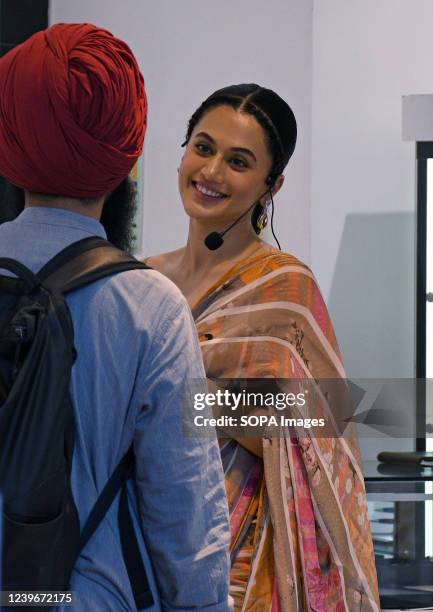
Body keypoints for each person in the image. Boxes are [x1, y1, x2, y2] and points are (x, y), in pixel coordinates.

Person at [0, 24, 232, 611]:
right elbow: (185, 515)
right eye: (204, 150)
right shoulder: (150, 306)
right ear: (128, 153)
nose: (213, 175)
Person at [146, 84, 381, 611]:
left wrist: (183, 396)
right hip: (136, 542)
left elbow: (317, 428)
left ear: (270, 185)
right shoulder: (142, 281)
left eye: (238, 161)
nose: (210, 173)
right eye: (202, 148)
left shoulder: (285, 289)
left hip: (241, 562)